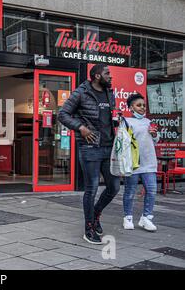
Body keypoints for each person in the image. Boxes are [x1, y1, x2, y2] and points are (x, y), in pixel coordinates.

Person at [58, 63, 120, 245]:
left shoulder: (110, 92)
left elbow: (109, 117)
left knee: (114, 186)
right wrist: (81, 128)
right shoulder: (81, 92)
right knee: (91, 189)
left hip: (109, 147)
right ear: (97, 76)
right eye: (107, 73)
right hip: (90, 147)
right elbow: (62, 114)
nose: (111, 76)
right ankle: (89, 228)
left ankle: (96, 214)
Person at [123, 93, 159, 232]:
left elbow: (156, 140)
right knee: (130, 192)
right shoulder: (126, 122)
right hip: (133, 164)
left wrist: (155, 134)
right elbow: (123, 141)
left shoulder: (149, 122)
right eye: (139, 105)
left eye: (144, 105)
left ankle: (146, 218)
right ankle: (128, 217)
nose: (142, 108)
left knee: (151, 191)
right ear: (131, 108)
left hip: (149, 163)